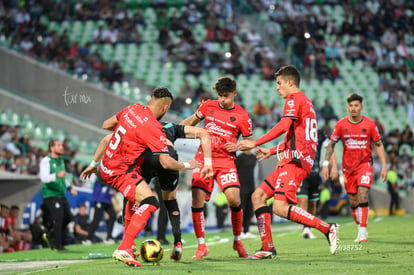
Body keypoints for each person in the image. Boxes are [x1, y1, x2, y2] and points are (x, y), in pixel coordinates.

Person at [80, 88, 212, 267]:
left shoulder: (132, 109)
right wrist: (188, 165)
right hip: (120, 170)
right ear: (165, 108)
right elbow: (166, 163)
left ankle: (129, 245)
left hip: (107, 164)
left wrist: (94, 164)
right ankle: (125, 248)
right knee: (151, 202)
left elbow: (106, 126)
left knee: (134, 199)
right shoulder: (154, 128)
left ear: (150, 100)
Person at [236, 65, 339, 259]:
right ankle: (267, 247)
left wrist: (254, 142)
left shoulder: (294, 99)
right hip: (293, 159)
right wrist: (273, 151)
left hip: (295, 161)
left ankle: (327, 228)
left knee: (279, 207)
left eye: (279, 83)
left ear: (290, 82)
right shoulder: (307, 102)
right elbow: (295, 137)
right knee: (258, 196)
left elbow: (284, 126)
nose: (277, 87)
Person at [180, 76, 253, 259]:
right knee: (196, 200)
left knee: (234, 200)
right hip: (203, 159)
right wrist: (175, 129)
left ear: (234, 94)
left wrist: (238, 146)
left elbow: (250, 144)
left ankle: (237, 241)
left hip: (226, 162)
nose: (222, 99)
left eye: (226, 96)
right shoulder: (208, 106)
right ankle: (201, 245)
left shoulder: (243, 115)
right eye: (220, 95)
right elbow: (187, 124)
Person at [322, 93, 387, 243]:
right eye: (351, 106)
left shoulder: (369, 125)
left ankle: (363, 230)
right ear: (347, 107)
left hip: (365, 165)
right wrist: (327, 164)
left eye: (356, 105)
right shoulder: (340, 125)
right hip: (348, 169)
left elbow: (378, 145)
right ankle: (360, 226)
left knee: (362, 193)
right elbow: (331, 145)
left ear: (361, 107)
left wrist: (384, 166)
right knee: (353, 200)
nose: (353, 108)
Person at [297, 126, 338, 239]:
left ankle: (308, 228)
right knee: (303, 200)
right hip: (302, 174)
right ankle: (305, 228)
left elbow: (330, 149)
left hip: (315, 174)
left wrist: (333, 167)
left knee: (312, 203)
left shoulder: (320, 134)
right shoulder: (298, 132)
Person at [39, 139, 77, 251]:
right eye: (58, 145)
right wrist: (56, 174)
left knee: (68, 217)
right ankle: (57, 244)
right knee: (58, 218)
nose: (62, 147)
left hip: (61, 194)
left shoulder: (61, 161)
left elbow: (63, 178)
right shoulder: (46, 161)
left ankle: (51, 235)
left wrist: (70, 188)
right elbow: (44, 178)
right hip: (50, 194)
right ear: (52, 148)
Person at [82, 177, 116, 245]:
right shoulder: (102, 171)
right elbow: (103, 182)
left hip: (107, 199)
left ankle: (109, 237)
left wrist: (114, 188)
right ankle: (88, 238)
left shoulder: (111, 172)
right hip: (99, 198)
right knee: (97, 219)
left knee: (113, 216)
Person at [235, 150, 257, 238]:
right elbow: (235, 170)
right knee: (241, 209)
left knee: (249, 209)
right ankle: (239, 232)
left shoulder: (253, 157)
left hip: (251, 185)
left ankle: (246, 231)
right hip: (241, 186)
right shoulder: (239, 157)